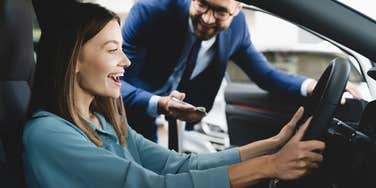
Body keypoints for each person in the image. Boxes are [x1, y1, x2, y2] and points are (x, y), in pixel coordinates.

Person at [23, 2, 325, 187]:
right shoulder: (48, 133)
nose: (126, 61)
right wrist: (270, 166)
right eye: (113, 50)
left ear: (236, 12)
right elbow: (153, 185)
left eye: (220, 11)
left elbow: (178, 166)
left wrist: (273, 145)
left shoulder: (103, 120)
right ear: (73, 58)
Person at [121, 0, 361, 142]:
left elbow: (264, 75)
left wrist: (312, 86)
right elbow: (117, 81)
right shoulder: (152, 10)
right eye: (202, 3)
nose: (206, 18)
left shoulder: (236, 28)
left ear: (237, 8)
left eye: (220, 12)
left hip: (185, 117)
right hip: (129, 111)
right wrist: (157, 103)